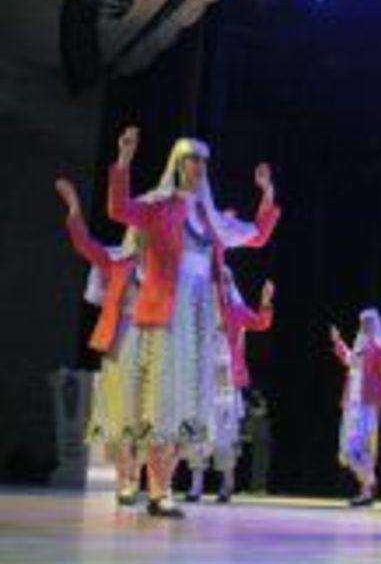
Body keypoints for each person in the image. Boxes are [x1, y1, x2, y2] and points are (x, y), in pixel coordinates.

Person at [106, 125, 280, 518]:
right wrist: (124, 160)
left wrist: (267, 193)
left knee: (187, 403)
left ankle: (161, 488)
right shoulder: (158, 206)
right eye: (190, 159)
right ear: (177, 164)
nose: (198, 166)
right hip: (164, 312)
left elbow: (256, 236)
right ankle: (148, 485)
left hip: (200, 317)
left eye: (202, 160)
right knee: (161, 400)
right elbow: (119, 209)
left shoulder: (209, 217)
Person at [56, 177, 144, 505]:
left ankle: (140, 476)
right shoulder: (116, 261)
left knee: (147, 415)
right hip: (121, 341)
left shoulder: (164, 268)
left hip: (154, 343)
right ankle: (124, 478)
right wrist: (74, 207)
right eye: (135, 227)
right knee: (119, 412)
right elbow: (84, 244)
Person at [185, 273, 274, 503]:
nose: (221, 286)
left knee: (225, 432)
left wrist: (265, 301)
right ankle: (196, 484)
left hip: (226, 379)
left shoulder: (237, 310)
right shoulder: (201, 311)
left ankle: (227, 483)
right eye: (217, 281)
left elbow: (262, 323)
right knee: (199, 429)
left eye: (225, 281)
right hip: (204, 377)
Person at [331, 310, 381, 507]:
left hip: (366, 405)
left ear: (375, 324)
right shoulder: (360, 346)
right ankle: (367, 485)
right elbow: (348, 359)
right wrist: (338, 341)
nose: (365, 325)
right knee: (347, 452)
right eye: (363, 322)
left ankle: (367, 488)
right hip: (351, 403)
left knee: (359, 448)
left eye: (369, 322)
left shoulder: (379, 347)